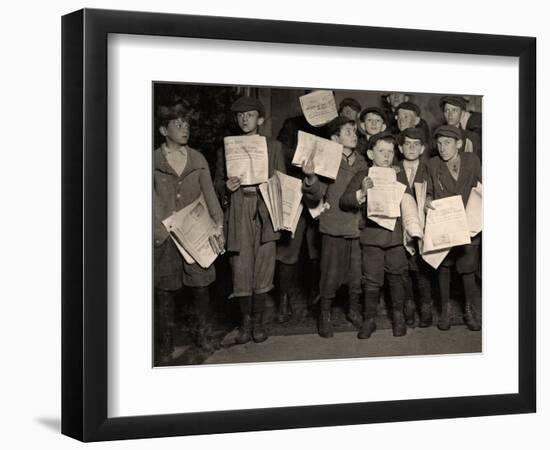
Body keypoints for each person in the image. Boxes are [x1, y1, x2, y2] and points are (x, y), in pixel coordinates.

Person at [153, 100, 224, 363]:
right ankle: (165, 344)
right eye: (178, 124)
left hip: (196, 234)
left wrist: (218, 225)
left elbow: (210, 195)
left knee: (201, 286)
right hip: (166, 236)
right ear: (164, 130)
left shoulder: (198, 158)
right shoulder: (152, 160)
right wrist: (155, 229)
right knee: (164, 291)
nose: (185, 129)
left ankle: (203, 338)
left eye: (187, 125)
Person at [223, 96, 286, 344]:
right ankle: (245, 323)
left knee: (264, 265)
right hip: (240, 205)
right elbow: (218, 181)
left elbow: (283, 183)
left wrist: (274, 189)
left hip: (265, 207)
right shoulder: (228, 146)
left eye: (249, 115)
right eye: (240, 115)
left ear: (260, 119)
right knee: (240, 266)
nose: (244, 119)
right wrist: (226, 186)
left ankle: (258, 321)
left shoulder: (274, 146)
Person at [302, 116, 368, 338]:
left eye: (355, 131)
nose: (354, 134)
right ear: (334, 138)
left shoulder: (362, 162)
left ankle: (353, 310)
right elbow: (317, 193)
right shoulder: (326, 161)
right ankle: (325, 314)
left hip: (356, 226)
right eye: (348, 131)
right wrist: (310, 176)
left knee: (356, 274)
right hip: (333, 224)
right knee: (330, 274)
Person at [340, 131, 409, 339]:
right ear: (371, 153)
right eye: (381, 151)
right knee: (372, 280)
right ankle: (369, 320)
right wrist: (361, 192)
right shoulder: (363, 174)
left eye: (390, 151)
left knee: (396, 276)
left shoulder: (399, 174)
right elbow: (344, 201)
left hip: (395, 236)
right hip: (371, 236)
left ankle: (398, 317)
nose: (386, 156)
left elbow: (410, 201)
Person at [426, 125, 482, 331]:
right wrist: (427, 200)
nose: (442, 148)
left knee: (468, 269)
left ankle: (471, 311)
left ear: (459, 144)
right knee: (444, 267)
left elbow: (484, 185)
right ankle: (445, 311)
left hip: (470, 224)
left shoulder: (472, 160)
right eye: (439, 143)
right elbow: (429, 190)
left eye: (447, 143)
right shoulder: (432, 164)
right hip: (445, 224)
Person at [396, 128, 433, 327]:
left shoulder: (429, 169)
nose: (411, 147)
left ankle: (425, 307)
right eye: (407, 144)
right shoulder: (392, 169)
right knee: (403, 269)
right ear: (400, 148)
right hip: (399, 227)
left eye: (416, 144)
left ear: (422, 148)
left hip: (423, 226)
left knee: (422, 268)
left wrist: (430, 198)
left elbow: (435, 191)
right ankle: (408, 306)